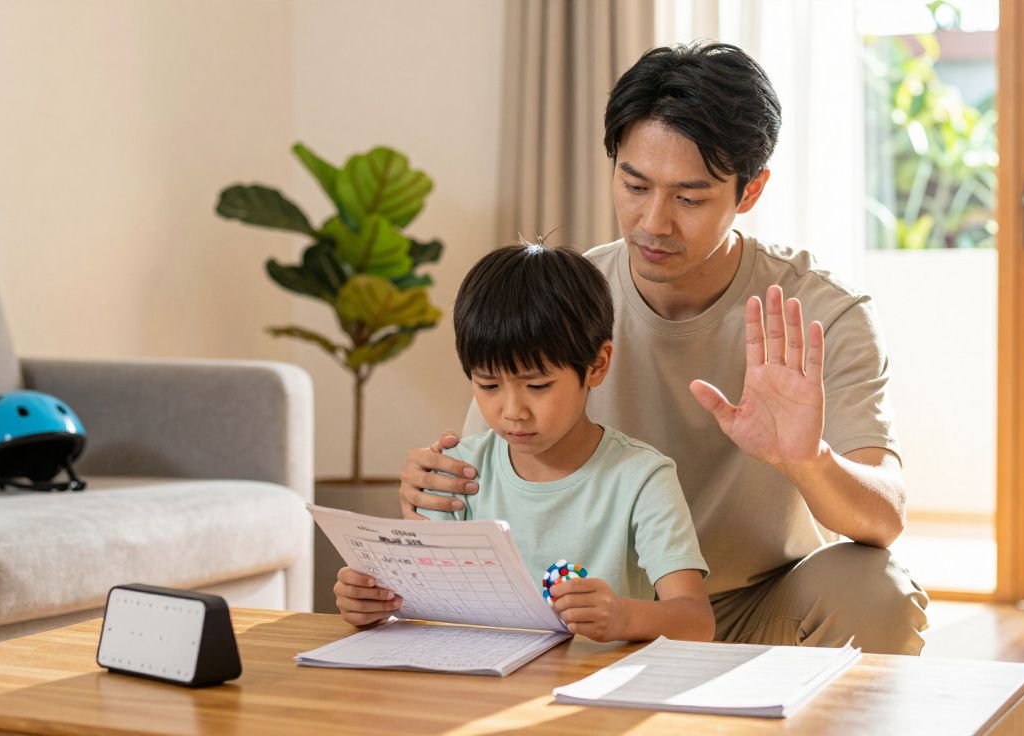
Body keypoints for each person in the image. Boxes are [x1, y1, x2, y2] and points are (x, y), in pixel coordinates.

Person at [342, 41, 930, 655]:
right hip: (597, 608)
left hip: (762, 607)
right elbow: (484, 473)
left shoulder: (824, 312)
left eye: (690, 197)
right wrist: (429, 492)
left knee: (877, 588)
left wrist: (807, 460)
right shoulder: (567, 297)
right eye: (634, 183)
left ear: (750, 191)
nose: (653, 222)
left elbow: (883, 519)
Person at [336, 243, 715, 643]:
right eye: (488, 385)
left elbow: (697, 621)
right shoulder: (457, 473)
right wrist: (371, 602)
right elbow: (419, 601)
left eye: (537, 385)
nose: (512, 411)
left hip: (591, 689)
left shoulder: (641, 478)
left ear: (597, 365)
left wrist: (624, 617)